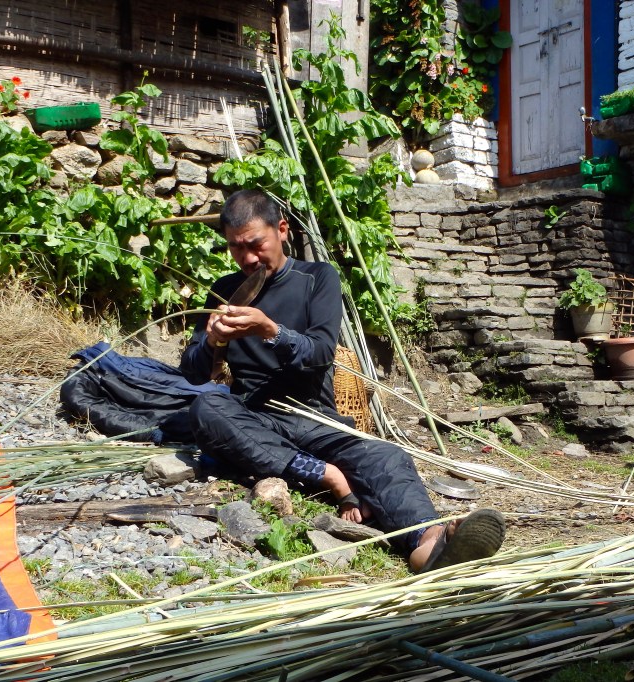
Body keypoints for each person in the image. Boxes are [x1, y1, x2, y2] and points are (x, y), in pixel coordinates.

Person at [180, 189, 505, 572]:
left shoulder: (317, 278)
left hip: (316, 419)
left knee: (386, 455)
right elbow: (191, 371)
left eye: (255, 244)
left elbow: (319, 354)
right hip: (255, 418)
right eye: (236, 248)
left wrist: (270, 330)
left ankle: (428, 542)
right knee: (207, 406)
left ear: (281, 230)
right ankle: (329, 476)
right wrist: (213, 341)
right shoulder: (226, 288)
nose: (248, 258)